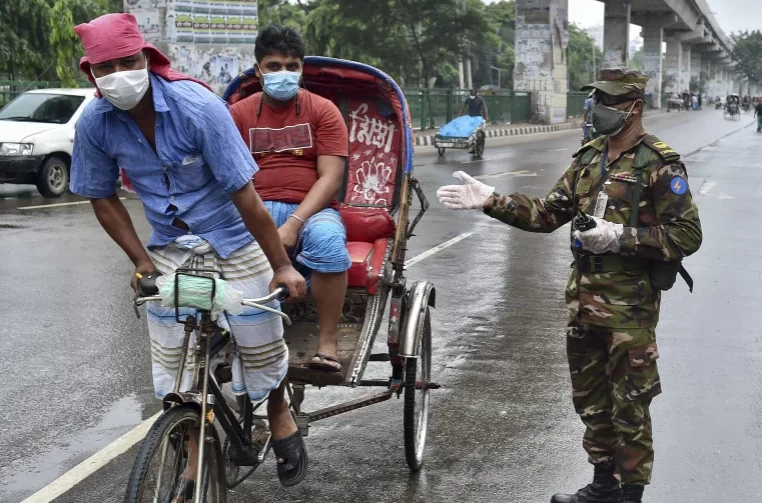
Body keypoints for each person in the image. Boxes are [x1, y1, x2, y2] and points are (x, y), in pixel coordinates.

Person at [69, 13, 309, 498]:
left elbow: (246, 195)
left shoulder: (197, 106)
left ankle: (279, 410)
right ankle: (195, 448)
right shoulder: (94, 122)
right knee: (173, 361)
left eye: (128, 60)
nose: (119, 73)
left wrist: (281, 264)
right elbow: (100, 195)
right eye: (106, 66)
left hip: (234, 235)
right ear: (90, 73)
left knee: (259, 337)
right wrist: (140, 260)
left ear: (147, 58)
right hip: (170, 245)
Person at [437, 68, 702, 503]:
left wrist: (620, 236)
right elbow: (547, 214)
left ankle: (630, 494)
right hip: (583, 301)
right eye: (597, 99)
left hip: (629, 309)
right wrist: (491, 200)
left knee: (630, 402)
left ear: (635, 106)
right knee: (591, 398)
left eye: (610, 101)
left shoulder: (659, 164)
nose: (600, 109)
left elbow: (687, 235)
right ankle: (603, 484)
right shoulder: (589, 155)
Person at [229, 24, 351, 373]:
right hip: (256, 206)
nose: (283, 73)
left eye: (291, 66)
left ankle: (327, 342)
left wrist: (296, 222)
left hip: (313, 210)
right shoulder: (237, 114)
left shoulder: (323, 110)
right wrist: (264, 221)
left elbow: (331, 178)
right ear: (258, 70)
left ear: (301, 69)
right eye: (274, 66)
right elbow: (229, 177)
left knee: (328, 241)